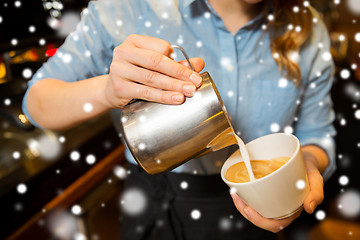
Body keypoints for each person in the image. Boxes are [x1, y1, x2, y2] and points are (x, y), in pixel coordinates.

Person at [22, 0, 336, 239]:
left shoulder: (308, 26)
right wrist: (106, 91)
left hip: (261, 208)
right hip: (159, 203)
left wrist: (302, 175)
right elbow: (36, 103)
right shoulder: (126, 8)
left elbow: (316, 134)